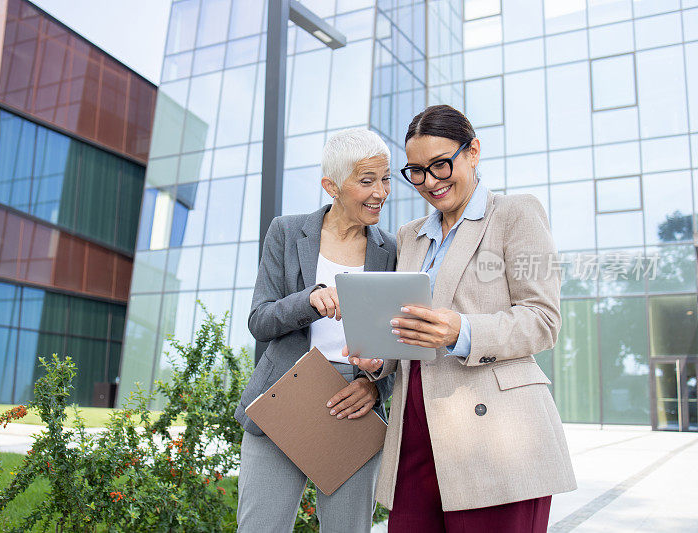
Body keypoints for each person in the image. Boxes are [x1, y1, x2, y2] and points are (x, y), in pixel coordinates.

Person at [348, 105, 576, 532]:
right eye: (416, 171)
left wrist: (463, 330)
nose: (430, 182)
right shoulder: (409, 237)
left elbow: (542, 319)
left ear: (473, 151)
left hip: (498, 435)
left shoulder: (516, 214)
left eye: (440, 165)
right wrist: (379, 361)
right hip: (415, 427)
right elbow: (405, 329)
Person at [235, 128, 397, 532]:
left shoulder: (391, 250)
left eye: (386, 178)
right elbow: (260, 320)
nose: (382, 192)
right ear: (331, 186)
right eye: (367, 181)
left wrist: (376, 386)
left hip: (353, 401)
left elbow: (398, 345)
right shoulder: (287, 232)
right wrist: (309, 300)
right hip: (285, 394)